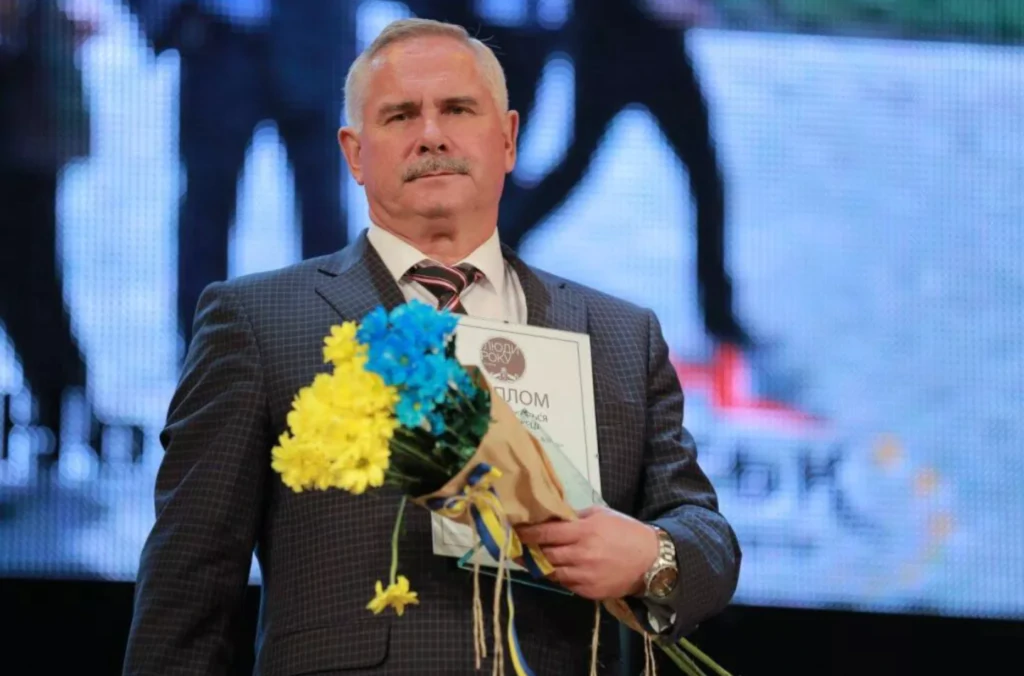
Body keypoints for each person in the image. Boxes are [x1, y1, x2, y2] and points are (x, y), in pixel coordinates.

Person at [123, 18, 740, 675]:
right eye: (399, 116)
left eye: (458, 110)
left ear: (508, 139)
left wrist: (653, 558)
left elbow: (707, 537)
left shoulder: (618, 334)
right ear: (354, 153)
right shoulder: (257, 322)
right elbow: (185, 599)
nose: (432, 135)